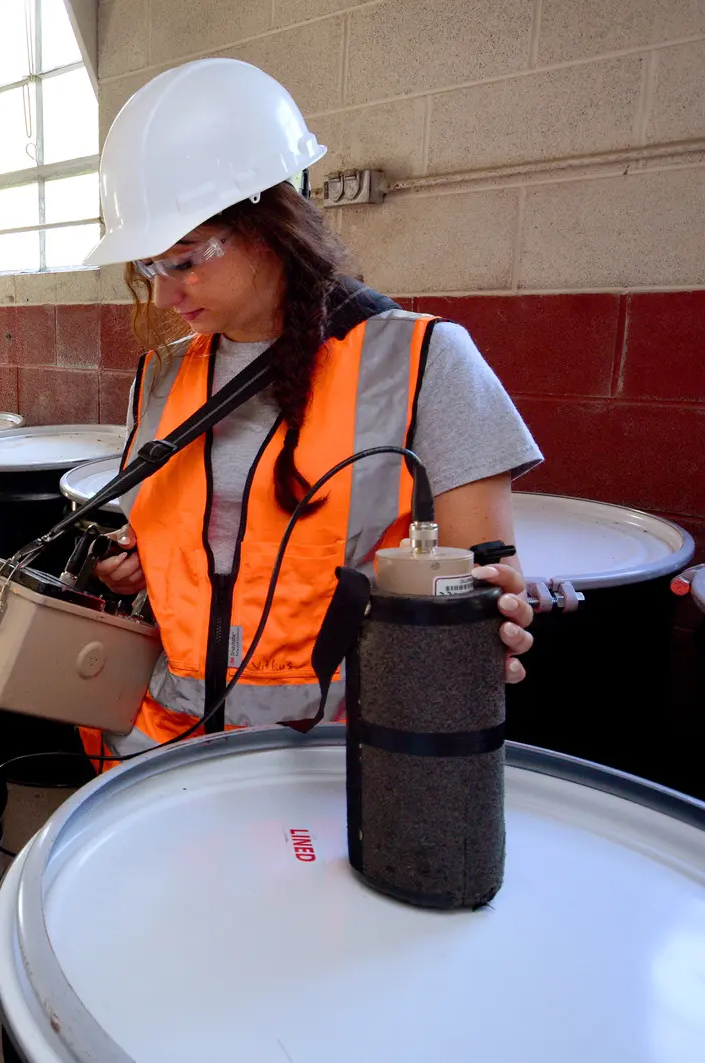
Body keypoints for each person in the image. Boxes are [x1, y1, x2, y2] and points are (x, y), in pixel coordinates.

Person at [85, 58, 541, 762]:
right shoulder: (162, 374)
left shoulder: (424, 363)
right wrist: (143, 562)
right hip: (161, 753)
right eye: (148, 268)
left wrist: (490, 622)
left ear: (271, 221)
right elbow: (204, 547)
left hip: (337, 765)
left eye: (184, 259)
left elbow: (477, 589)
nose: (164, 295)